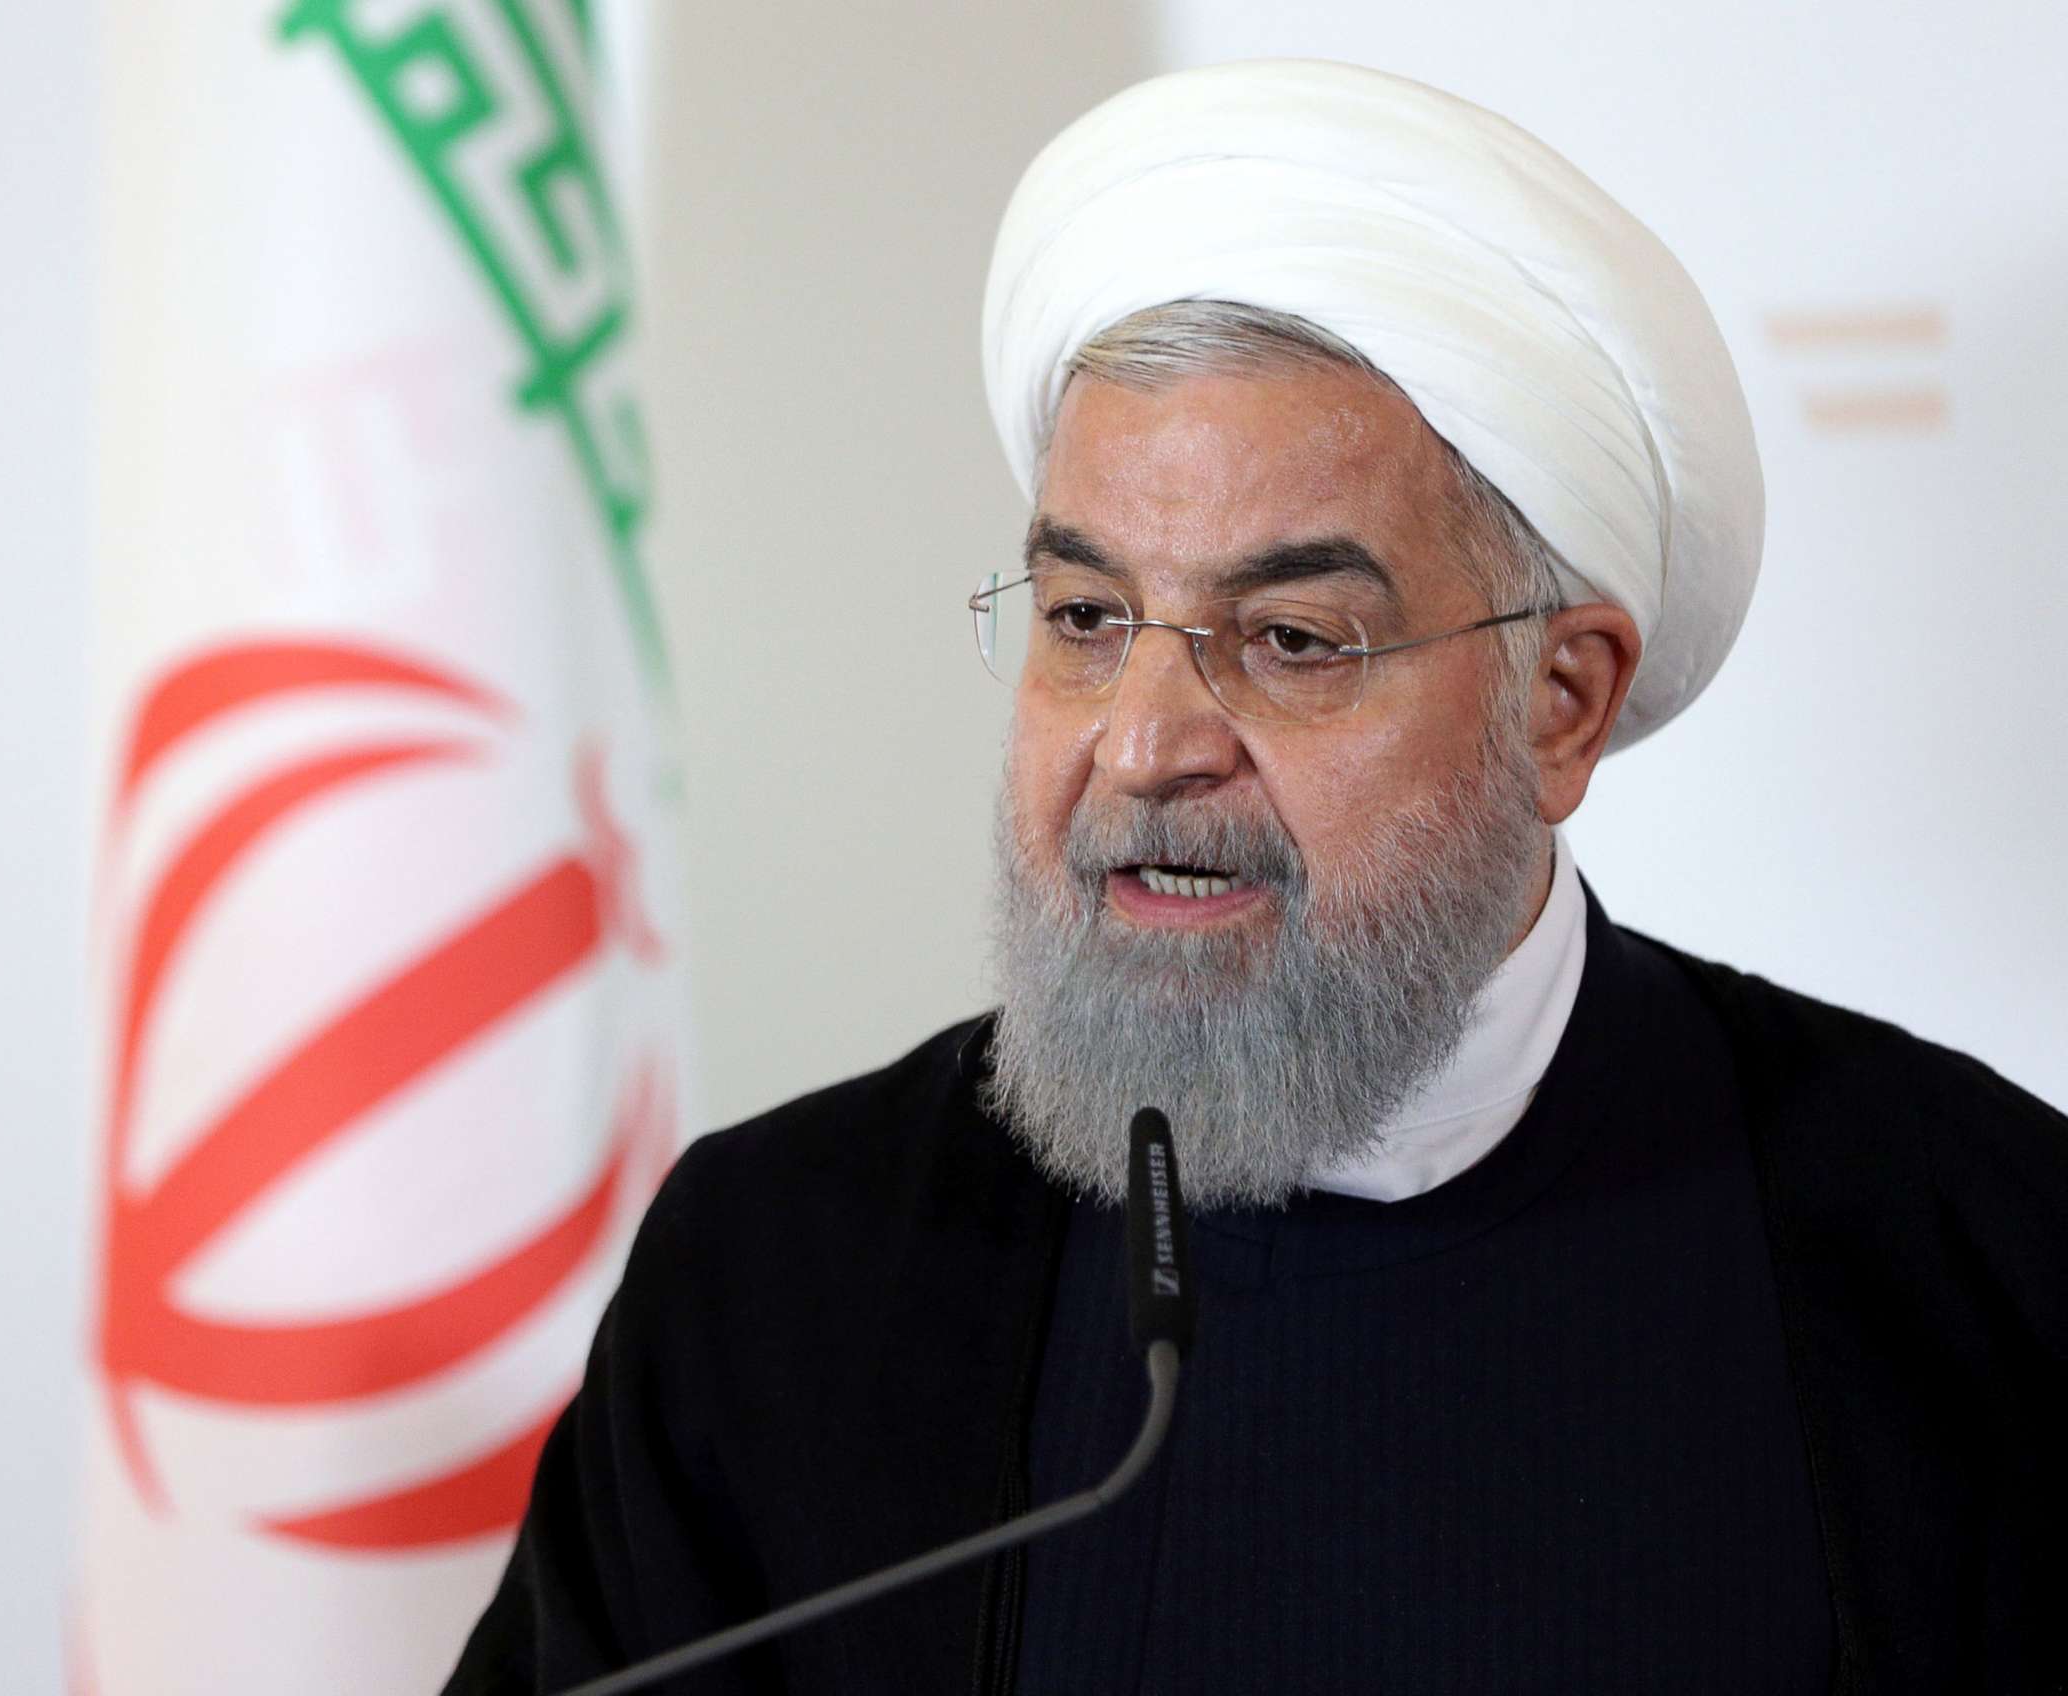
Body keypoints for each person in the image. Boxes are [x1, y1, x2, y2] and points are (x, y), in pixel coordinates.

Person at [444, 61, 2067, 1694]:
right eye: (1086, 621)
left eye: (1290, 641)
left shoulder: (1975, 1257)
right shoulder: (783, 1274)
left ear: (1560, 700)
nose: (1145, 746)